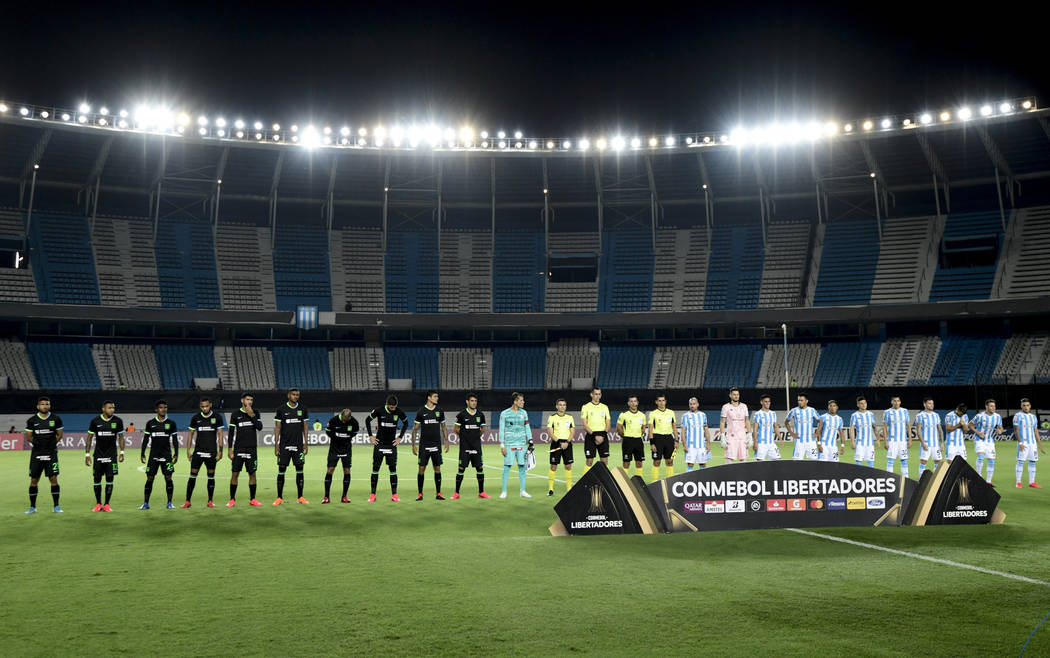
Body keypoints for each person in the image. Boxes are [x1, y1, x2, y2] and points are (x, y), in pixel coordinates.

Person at [181, 397, 225, 508]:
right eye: (202, 406)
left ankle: (210, 501)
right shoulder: (196, 418)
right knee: (192, 476)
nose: (204, 408)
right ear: (200, 406)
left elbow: (220, 434)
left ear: (210, 405)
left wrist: (220, 451)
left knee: (211, 477)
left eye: (206, 406)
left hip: (211, 452)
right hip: (198, 453)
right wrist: (188, 450)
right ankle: (187, 501)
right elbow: (190, 434)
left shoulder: (217, 417)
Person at [366, 394, 409, 502]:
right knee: (375, 469)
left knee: (393, 469)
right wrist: (371, 436)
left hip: (391, 445)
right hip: (379, 444)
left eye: (394, 407)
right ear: (387, 405)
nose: (393, 409)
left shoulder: (399, 412)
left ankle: (394, 495)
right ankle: (373, 495)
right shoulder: (379, 410)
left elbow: (406, 423)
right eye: (391, 407)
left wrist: (400, 437)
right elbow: (367, 420)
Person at [25, 396, 63, 514]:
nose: (45, 406)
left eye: (47, 404)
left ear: (49, 406)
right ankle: (32, 507)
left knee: (53, 479)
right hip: (37, 453)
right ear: (38, 406)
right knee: (34, 480)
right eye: (42, 404)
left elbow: (59, 435)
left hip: (51, 453)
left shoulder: (56, 419)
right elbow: (29, 437)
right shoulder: (32, 420)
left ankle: (56, 506)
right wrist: (40, 446)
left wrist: (51, 445)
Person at [85, 400, 125, 512]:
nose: (112, 409)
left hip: (112, 456)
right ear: (103, 409)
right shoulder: (95, 421)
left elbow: (121, 437)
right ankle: (98, 504)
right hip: (98, 455)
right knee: (96, 480)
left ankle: (107, 504)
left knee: (110, 480)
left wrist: (122, 452)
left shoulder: (118, 421)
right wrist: (87, 454)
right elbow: (89, 438)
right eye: (109, 407)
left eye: (113, 407)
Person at [140, 400, 179, 510]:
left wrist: (176, 454)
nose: (163, 409)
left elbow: (175, 440)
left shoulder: (171, 423)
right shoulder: (150, 423)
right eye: (161, 407)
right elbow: (146, 439)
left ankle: (170, 503)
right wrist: (142, 453)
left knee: (168, 478)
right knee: (150, 478)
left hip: (167, 455)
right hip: (153, 456)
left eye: (165, 407)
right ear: (156, 409)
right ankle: (146, 503)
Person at [273, 388, 309, 505]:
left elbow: (305, 427)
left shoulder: (303, 409)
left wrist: (306, 444)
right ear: (288, 395)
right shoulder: (281, 409)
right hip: (284, 445)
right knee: (281, 469)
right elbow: (278, 428)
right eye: (293, 394)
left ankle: (300, 497)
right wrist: (276, 445)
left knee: (300, 469)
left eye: (297, 395)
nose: (295, 396)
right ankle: (279, 497)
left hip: (298, 445)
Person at [227, 393, 263, 507]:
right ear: (242, 400)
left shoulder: (255, 412)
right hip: (238, 448)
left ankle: (253, 499)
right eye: (248, 399)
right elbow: (231, 432)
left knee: (252, 474)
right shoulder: (235, 414)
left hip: (251, 449)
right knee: (235, 474)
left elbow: (259, 427)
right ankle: (232, 499)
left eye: (251, 400)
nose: (250, 401)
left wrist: (251, 415)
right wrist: (229, 449)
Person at [412, 390, 450, 501]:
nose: (437, 398)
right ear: (429, 398)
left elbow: (443, 427)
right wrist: (413, 445)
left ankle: (439, 493)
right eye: (435, 396)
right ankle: (420, 494)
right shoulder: (421, 411)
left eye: (437, 396)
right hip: (424, 445)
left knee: (437, 468)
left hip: (436, 445)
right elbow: (414, 429)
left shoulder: (439, 411)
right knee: (421, 468)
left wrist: (446, 441)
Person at [453, 393, 489, 499]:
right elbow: (456, 429)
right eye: (472, 401)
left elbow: (483, 429)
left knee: (480, 468)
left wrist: (475, 437)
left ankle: (481, 492)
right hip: (465, 447)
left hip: (476, 446)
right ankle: (456, 493)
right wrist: (465, 437)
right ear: (467, 402)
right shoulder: (462, 415)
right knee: (461, 468)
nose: (474, 403)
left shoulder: (480, 415)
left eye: (475, 401)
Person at [499, 392, 531, 499]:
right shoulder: (504, 413)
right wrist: (502, 445)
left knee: (522, 467)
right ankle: (504, 491)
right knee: (507, 467)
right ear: (515, 401)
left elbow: (527, 427)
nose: (523, 402)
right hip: (509, 444)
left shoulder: (524, 413)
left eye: (523, 400)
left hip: (522, 444)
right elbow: (502, 429)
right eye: (521, 400)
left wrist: (530, 441)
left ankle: (523, 491)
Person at [323, 408, 359, 503]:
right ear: (341, 415)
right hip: (334, 449)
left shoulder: (354, 422)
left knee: (347, 471)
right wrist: (335, 438)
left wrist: (346, 438)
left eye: (346, 419)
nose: (344, 421)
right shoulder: (333, 420)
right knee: (330, 470)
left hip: (346, 449)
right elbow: (327, 430)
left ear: (349, 417)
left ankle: (344, 497)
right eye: (343, 418)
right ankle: (326, 497)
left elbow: (355, 432)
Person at [546, 398, 575, 496]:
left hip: (567, 444)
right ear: (557, 406)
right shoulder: (552, 417)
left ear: (566, 406)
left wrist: (567, 442)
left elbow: (572, 432)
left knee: (568, 466)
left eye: (564, 405)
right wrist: (559, 442)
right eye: (560, 405)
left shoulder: (570, 417)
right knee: (553, 466)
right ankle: (550, 489)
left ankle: (569, 489)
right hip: (556, 444)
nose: (562, 407)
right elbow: (550, 432)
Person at [972, 398, 1002, 486]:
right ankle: (978, 476)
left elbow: (1000, 427)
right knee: (981, 457)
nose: (993, 408)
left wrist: (1000, 430)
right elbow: (970, 425)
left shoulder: (997, 417)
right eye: (991, 406)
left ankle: (989, 481)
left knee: (991, 461)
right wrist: (978, 433)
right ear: (986, 407)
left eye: (994, 406)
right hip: (979, 440)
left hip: (990, 442)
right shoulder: (980, 416)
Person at [1014, 398, 1043, 488]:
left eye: (1027, 405)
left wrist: (1039, 444)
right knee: (1021, 461)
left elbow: (1035, 431)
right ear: (1021, 406)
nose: (1026, 407)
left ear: (1030, 406)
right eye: (1024, 405)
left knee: (1032, 462)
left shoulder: (1033, 417)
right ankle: (1018, 482)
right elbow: (1016, 430)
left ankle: (1032, 482)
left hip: (1032, 444)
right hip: (1024, 443)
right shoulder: (1017, 416)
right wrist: (1020, 443)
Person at [581, 387, 611, 474]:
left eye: (599, 394)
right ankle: (585, 482)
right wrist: (595, 436)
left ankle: (606, 482)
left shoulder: (605, 407)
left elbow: (608, 423)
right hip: (591, 435)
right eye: (596, 394)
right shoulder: (585, 407)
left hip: (603, 435)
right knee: (589, 461)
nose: (597, 396)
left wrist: (603, 435)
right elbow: (584, 424)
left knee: (604, 461)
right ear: (592, 394)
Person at [616, 395, 647, 477]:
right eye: (631, 401)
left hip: (638, 441)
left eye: (635, 401)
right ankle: (624, 482)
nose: (633, 403)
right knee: (626, 463)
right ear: (628, 403)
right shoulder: (623, 415)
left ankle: (639, 482)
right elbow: (619, 428)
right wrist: (626, 436)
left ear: (637, 403)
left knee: (639, 462)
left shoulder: (642, 415)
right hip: (627, 441)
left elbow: (643, 429)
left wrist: (637, 434)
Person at [881, 396, 911, 477]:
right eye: (894, 401)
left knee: (904, 460)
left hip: (903, 441)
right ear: (892, 402)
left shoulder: (905, 411)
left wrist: (910, 439)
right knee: (890, 460)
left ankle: (906, 478)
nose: (896, 402)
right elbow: (884, 427)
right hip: (892, 441)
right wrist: (885, 441)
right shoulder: (887, 412)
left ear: (900, 402)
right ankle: (889, 478)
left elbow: (908, 426)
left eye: (898, 401)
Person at [648, 394, 677, 479]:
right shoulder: (653, 413)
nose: (661, 402)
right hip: (657, 439)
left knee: (670, 461)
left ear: (665, 401)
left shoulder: (671, 412)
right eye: (659, 401)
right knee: (657, 461)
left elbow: (674, 427)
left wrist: (676, 441)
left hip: (669, 439)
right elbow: (650, 429)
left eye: (663, 400)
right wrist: (652, 443)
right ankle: (654, 482)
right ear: (656, 402)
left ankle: (670, 482)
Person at [914, 397, 944, 475]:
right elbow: (918, 430)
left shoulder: (936, 415)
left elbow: (940, 430)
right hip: (926, 443)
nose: (932, 405)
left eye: (932, 403)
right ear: (924, 404)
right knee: (923, 462)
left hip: (935, 444)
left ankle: (933, 479)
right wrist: (923, 443)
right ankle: (921, 480)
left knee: (938, 462)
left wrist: (942, 443)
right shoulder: (920, 415)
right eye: (929, 403)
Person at [720, 387, 751, 462]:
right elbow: (722, 422)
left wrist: (749, 434)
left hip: (742, 436)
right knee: (729, 459)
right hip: (731, 436)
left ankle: (743, 474)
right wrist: (722, 436)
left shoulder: (744, 406)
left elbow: (747, 421)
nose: (736, 396)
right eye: (734, 394)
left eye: (737, 394)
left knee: (743, 459)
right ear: (730, 395)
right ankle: (728, 474)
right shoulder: (725, 407)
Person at [679, 397, 710, 471]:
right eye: (691, 404)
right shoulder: (685, 416)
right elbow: (683, 431)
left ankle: (702, 481)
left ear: (697, 404)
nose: (692, 405)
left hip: (701, 445)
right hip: (690, 445)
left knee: (703, 464)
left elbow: (706, 430)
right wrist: (684, 445)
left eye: (694, 404)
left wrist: (708, 444)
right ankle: (690, 481)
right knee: (690, 464)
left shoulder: (703, 415)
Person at [785, 393, 819, 460]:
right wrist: (792, 433)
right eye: (799, 400)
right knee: (797, 462)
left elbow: (820, 421)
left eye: (802, 400)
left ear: (806, 401)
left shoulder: (812, 410)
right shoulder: (793, 411)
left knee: (814, 461)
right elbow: (786, 422)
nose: (800, 402)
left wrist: (817, 432)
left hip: (811, 441)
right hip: (799, 441)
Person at [850, 396, 877, 467]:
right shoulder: (854, 415)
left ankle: (870, 477)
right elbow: (852, 429)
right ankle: (859, 477)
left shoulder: (870, 414)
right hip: (859, 443)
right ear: (858, 405)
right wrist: (852, 442)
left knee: (871, 463)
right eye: (861, 403)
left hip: (870, 444)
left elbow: (874, 427)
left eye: (865, 403)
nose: (864, 405)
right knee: (859, 463)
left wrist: (877, 439)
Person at [751, 395, 780, 461]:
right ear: (761, 402)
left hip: (771, 443)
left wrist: (780, 438)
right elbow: (755, 429)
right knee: (760, 464)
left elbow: (775, 426)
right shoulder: (758, 414)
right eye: (765, 401)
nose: (767, 403)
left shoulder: (773, 413)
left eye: (769, 401)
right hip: (761, 443)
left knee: (778, 461)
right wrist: (755, 442)